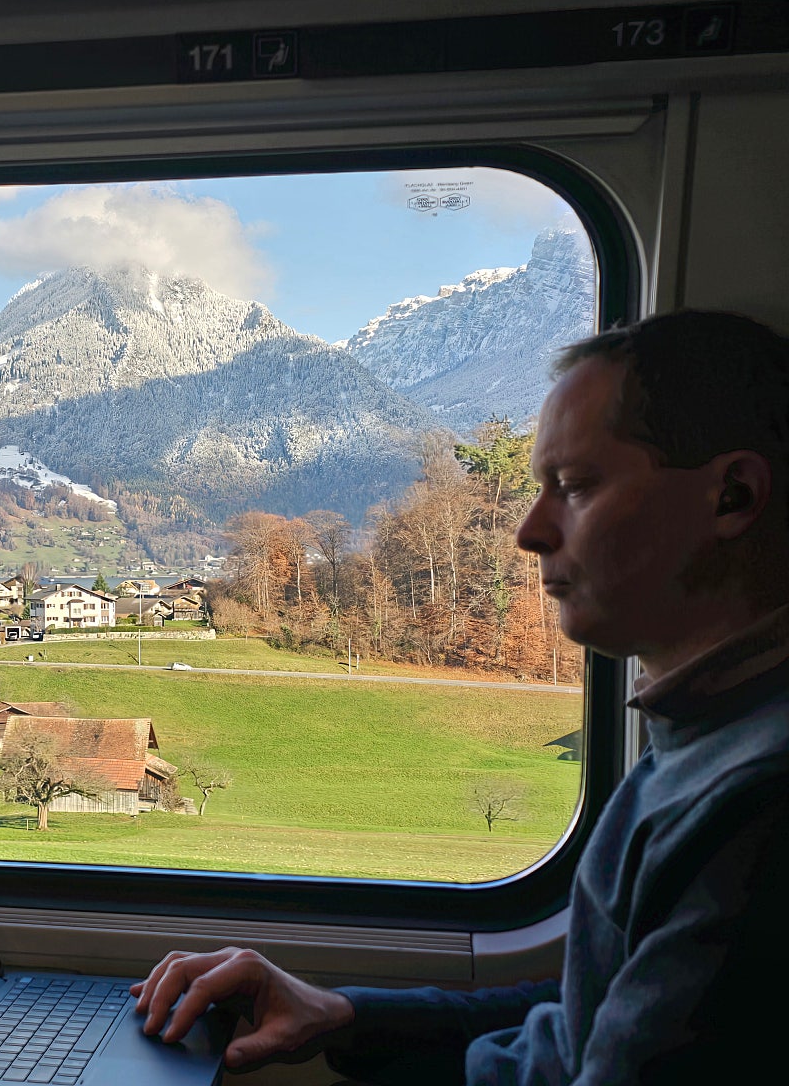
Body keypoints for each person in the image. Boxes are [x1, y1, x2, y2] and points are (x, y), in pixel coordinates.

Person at [132, 310, 789, 1082]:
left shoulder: (757, 807)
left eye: (576, 487)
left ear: (732, 496)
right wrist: (344, 1014)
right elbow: (589, 1011)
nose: (530, 531)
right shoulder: (703, 737)